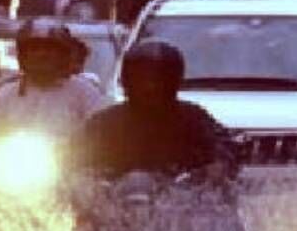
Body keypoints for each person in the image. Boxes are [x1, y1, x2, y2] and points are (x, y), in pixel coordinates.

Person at [72, 39, 238, 180]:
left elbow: (224, 145)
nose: (150, 86)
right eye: (141, 78)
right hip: (114, 207)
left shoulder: (194, 118)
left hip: (181, 206)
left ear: (174, 80)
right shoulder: (105, 123)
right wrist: (81, 176)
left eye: (160, 79)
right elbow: (72, 154)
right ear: (127, 79)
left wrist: (219, 165)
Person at [0, 18, 108, 141]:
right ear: (23, 55)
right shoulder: (6, 94)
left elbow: (102, 136)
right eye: (34, 48)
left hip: (71, 166)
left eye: (49, 48)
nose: (41, 54)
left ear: (63, 55)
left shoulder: (85, 93)